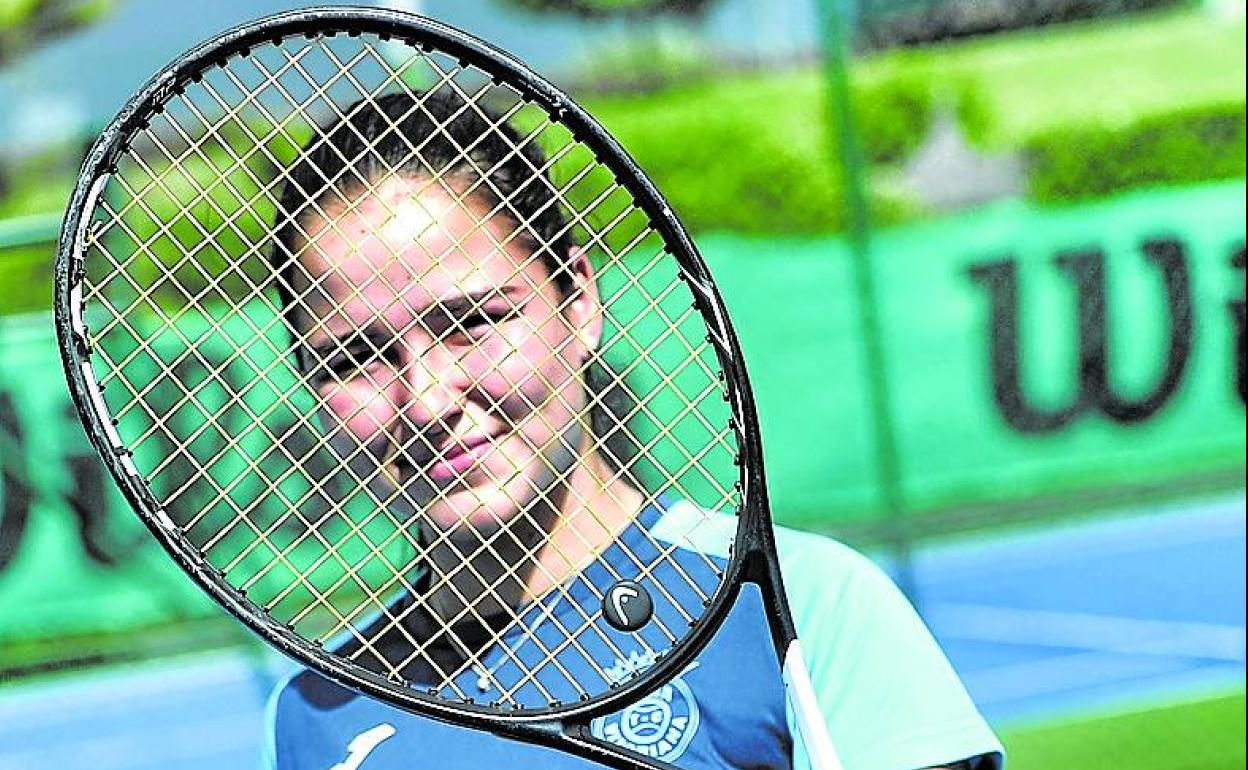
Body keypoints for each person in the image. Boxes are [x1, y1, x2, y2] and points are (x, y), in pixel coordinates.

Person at [263, 88, 1003, 770]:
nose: (426, 400)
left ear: (580, 302)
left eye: (473, 322)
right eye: (354, 357)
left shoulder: (795, 605)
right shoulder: (312, 722)